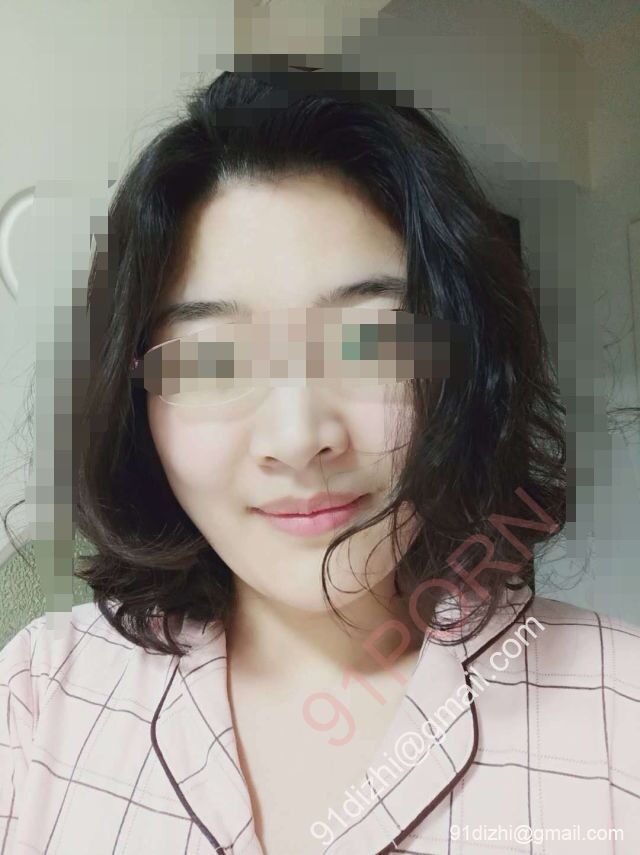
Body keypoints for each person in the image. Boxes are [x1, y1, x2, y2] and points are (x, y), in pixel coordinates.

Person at [1, 68, 639, 855]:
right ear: (134, 400)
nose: (299, 436)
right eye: (211, 358)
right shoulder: (39, 695)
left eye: (371, 340)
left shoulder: (622, 715)